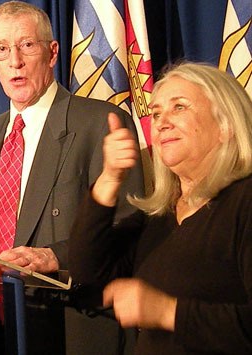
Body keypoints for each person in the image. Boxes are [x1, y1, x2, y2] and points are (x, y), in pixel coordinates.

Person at [0, 1, 144, 354]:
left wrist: (55, 256)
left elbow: (129, 226)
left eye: (27, 46)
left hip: (72, 326)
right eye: (2, 49)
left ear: (52, 53)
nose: (14, 60)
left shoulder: (98, 123)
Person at [69, 62, 252, 354]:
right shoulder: (158, 218)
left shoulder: (244, 202)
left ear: (226, 125)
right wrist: (110, 178)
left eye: (179, 107)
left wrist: (166, 312)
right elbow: (87, 275)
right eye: (155, 113)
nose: (162, 122)